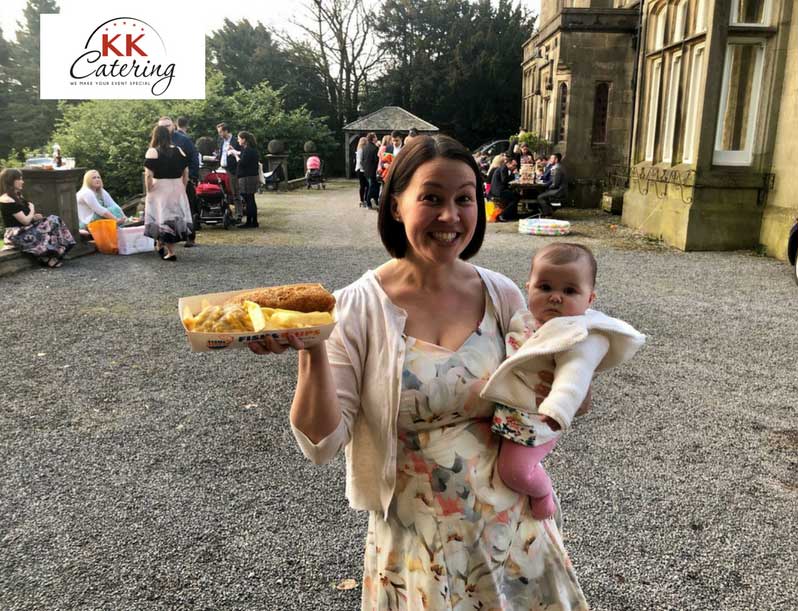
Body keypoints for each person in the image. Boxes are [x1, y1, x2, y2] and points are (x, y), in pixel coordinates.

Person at [247, 135, 590, 609]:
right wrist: (312, 350)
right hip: (415, 544)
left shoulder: (504, 295)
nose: (450, 216)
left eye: (464, 198)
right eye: (431, 197)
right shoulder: (355, 307)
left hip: (513, 532)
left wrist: (574, 378)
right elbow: (321, 444)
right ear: (395, 205)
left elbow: (557, 398)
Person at [482, 243, 645, 519]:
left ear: (590, 299)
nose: (555, 297)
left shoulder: (581, 334)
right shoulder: (523, 318)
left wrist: (559, 408)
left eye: (569, 291)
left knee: (514, 471)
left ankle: (542, 493)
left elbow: (575, 374)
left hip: (538, 417)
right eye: (545, 287)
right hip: (510, 412)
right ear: (528, 287)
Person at [0, 168, 75, 268]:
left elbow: (26, 218)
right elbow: (25, 221)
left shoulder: (17, 196)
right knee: (51, 221)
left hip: (25, 229)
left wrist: (35, 217)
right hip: (16, 234)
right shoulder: (6, 199)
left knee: (54, 219)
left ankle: (55, 254)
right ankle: (48, 257)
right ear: (11, 180)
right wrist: (32, 208)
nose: (22, 181)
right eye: (20, 179)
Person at [143, 125, 192, 261]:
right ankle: (160, 245)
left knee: (161, 217)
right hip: (177, 186)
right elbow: (186, 172)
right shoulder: (179, 150)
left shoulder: (153, 152)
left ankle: (170, 252)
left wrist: (149, 189)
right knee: (172, 217)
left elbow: (148, 175)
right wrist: (183, 186)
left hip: (160, 187)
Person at [173, 117, 200, 247]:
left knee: (188, 207)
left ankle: (190, 236)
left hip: (185, 179)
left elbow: (194, 158)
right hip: (166, 181)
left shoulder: (184, 140)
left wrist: (192, 177)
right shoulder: (158, 141)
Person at [229, 131, 261, 228]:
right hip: (251, 176)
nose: (238, 140)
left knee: (249, 200)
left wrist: (235, 155)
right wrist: (235, 151)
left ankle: (250, 222)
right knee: (250, 199)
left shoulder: (248, 150)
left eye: (239, 138)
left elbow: (242, 162)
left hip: (247, 177)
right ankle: (253, 221)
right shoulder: (250, 149)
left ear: (244, 139)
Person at [216, 122, 241, 216]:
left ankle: (239, 213)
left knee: (235, 192)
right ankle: (226, 212)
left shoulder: (236, 141)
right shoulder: (221, 141)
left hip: (232, 170)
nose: (219, 134)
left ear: (226, 131)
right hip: (222, 169)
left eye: (220, 132)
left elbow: (240, 154)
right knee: (223, 192)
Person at [489, 155, 520, 222]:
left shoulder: (504, 168)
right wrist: (513, 175)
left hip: (499, 190)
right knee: (515, 198)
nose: (515, 167)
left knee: (516, 195)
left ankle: (513, 215)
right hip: (498, 191)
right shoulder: (504, 168)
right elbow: (504, 180)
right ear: (508, 163)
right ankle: (502, 215)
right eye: (514, 165)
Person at [361, 132, 380, 209]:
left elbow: (362, 160)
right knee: (373, 187)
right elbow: (376, 160)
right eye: (375, 137)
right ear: (373, 139)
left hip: (366, 170)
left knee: (369, 187)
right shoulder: (375, 148)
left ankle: (368, 201)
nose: (377, 138)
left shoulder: (364, 148)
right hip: (373, 170)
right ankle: (369, 203)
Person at [354, 136, 368, 207]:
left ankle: (363, 200)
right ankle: (362, 200)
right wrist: (365, 168)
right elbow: (360, 161)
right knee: (364, 185)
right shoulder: (361, 150)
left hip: (359, 169)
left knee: (363, 185)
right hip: (361, 169)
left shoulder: (359, 149)